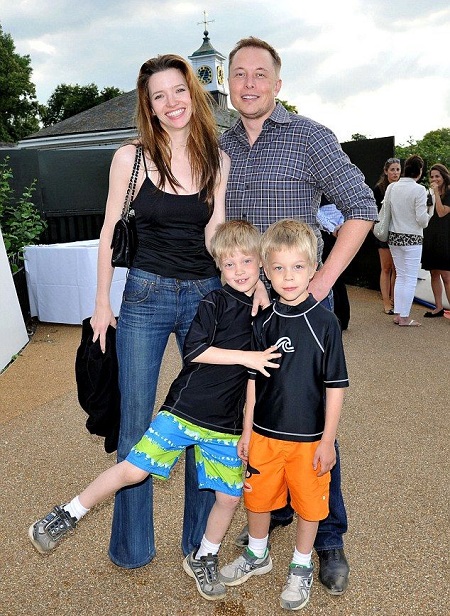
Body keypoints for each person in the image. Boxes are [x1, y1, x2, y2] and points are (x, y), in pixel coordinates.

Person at [29, 220, 281, 601]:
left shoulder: (264, 314)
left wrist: (247, 431)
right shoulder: (213, 302)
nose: (240, 271)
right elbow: (196, 351)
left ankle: (205, 556)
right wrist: (248, 356)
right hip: (184, 413)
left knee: (229, 498)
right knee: (132, 469)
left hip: (225, 428)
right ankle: (68, 513)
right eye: (229, 264)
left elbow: (255, 382)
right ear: (217, 266)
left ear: (260, 262)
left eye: (247, 262)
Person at [220, 36, 377, 595]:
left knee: (314, 423)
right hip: (252, 311)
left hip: (306, 306)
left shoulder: (309, 137)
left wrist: (323, 280)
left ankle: (329, 537)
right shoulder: (221, 146)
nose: (249, 83)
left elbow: (362, 206)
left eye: (261, 74)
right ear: (229, 82)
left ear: (278, 83)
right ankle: (273, 516)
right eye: (239, 74)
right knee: (263, 415)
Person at [89, 54, 231, 570]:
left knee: (203, 423)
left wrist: (242, 274)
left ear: (193, 92)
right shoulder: (129, 157)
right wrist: (102, 301)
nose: (172, 103)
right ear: (148, 106)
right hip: (144, 296)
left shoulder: (217, 157)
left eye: (179, 91)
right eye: (159, 96)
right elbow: (108, 232)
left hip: (204, 297)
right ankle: (130, 548)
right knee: (135, 425)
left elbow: (214, 230)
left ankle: (198, 542)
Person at [219, 219, 349, 611]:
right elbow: (253, 382)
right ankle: (257, 555)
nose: (288, 277)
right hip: (263, 436)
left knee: (310, 506)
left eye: (297, 267)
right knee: (257, 501)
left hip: (308, 440)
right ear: (266, 270)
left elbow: (335, 387)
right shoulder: (262, 322)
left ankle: (301, 565)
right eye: (278, 268)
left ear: (313, 269)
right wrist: (246, 432)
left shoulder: (326, 324)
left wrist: (327, 441)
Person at [387, 155, 431, 326]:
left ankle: (399, 314)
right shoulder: (420, 190)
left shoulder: (392, 187)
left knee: (401, 276)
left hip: (394, 237)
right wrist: (429, 213)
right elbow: (422, 220)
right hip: (412, 238)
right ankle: (404, 317)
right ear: (419, 171)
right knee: (410, 278)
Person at [421, 163, 450, 317]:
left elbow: (441, 212)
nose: (434, 179)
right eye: (432, 176)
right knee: (433, 273)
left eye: (437, 176)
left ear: (444, 176)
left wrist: (437, 193)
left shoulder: (449, 192)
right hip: (431, 235)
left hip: (445, 237)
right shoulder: (429, 193)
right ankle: (438, 307)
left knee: (446, 275)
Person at [317, 196, 350, 330]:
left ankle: (340, 317)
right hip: (333, 234)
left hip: (329, 235)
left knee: (331, 275)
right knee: (334, 275)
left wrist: (335, 229)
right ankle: (341, 317)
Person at [373, 158, 401, 314]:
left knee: (397, 269)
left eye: (398, 169)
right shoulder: (379, 189)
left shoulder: (402, 188)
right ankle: (386, 303)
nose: (395, 172)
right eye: (392, 169)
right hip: (383, 232)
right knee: (386, 267)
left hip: (399, 231)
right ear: (386, 171)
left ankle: (394, 300)